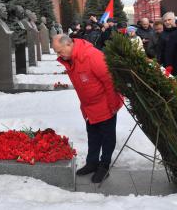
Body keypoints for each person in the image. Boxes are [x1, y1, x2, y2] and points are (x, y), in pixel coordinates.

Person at [51, 34, 123, 183]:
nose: (58, 55)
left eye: (59, 51)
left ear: (69, 45)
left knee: (107, 137)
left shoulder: (91, 56)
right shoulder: (71, 59)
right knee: (93, 135)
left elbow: (110, 81)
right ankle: (92, 163)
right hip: (89, 106)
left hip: (106, 104)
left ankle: (104, 166)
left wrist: (113, 105)